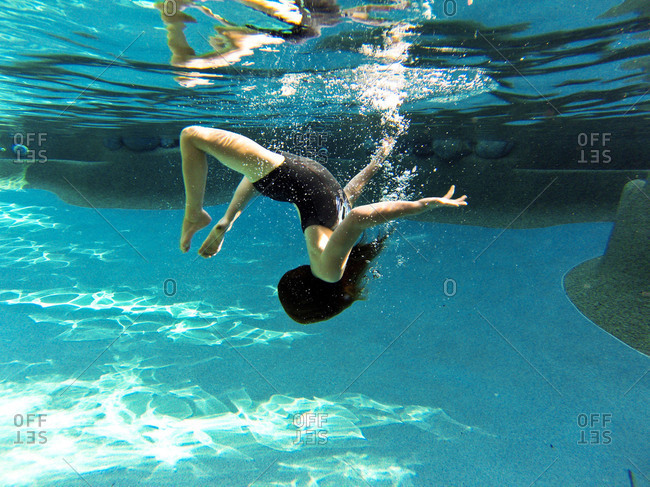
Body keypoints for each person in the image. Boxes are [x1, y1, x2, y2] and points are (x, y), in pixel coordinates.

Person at [179, 126, 467, 323]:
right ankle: (194, 214)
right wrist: (417, 207)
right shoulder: (327, 272)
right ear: (305, 295)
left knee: (252, 172)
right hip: (291, 177)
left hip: (294, 176)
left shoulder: (334, 257)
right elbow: (356, 215)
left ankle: (221, 219)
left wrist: (376, 163)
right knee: (190, 137)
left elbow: (345, 197)